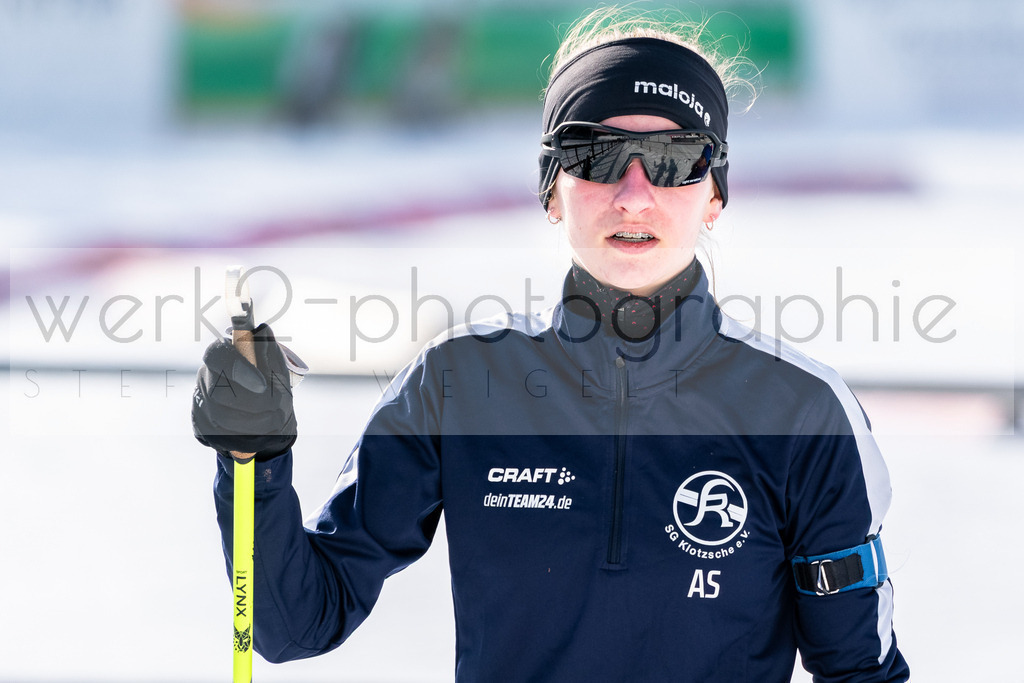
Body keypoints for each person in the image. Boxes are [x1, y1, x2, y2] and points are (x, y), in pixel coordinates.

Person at [193, 7, 911, 682]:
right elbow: (293, 623)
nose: (634, 194)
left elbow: (859, 668)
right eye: (596, 156)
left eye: (673, 159)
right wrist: (252, 460)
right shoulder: (459, 381)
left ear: (714, 192)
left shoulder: (803, 411)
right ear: (551, 189)